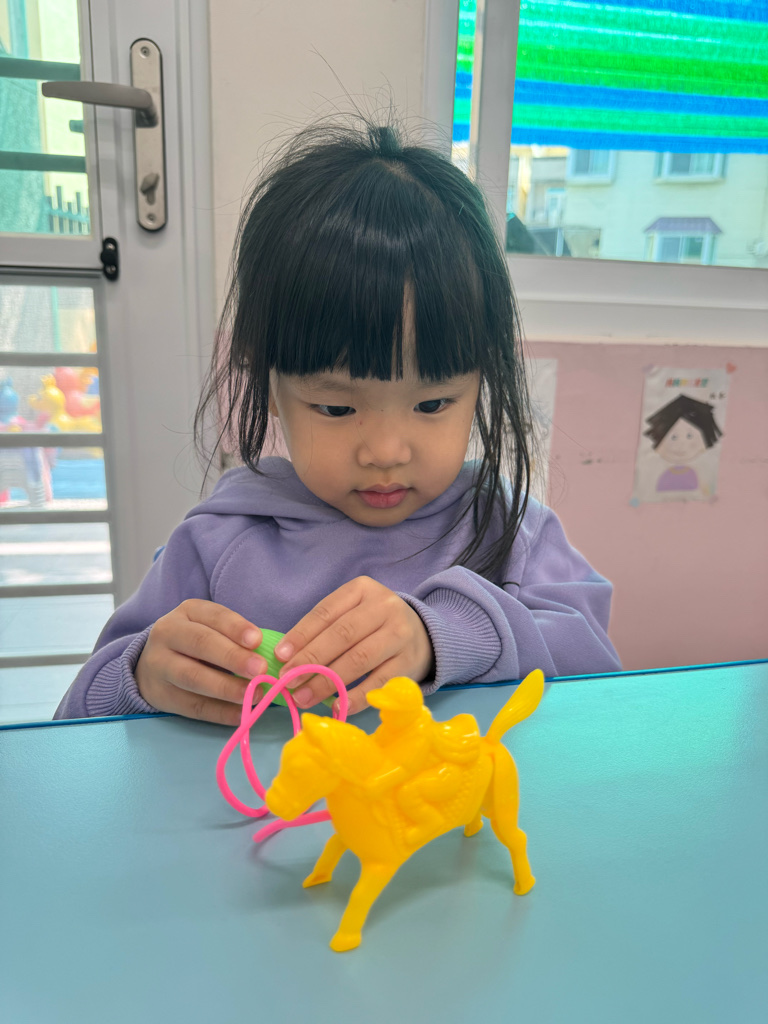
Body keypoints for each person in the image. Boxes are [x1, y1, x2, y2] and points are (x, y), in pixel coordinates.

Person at [54, 115, 621, 725]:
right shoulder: (218, 544)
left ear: (480, 381)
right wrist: (142, 676)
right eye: (336, 408)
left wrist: (447, 636)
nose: (385, 451)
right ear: (270, 384)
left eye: (433, 404)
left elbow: (599, 667)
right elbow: (75, 717)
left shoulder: (508, 530)